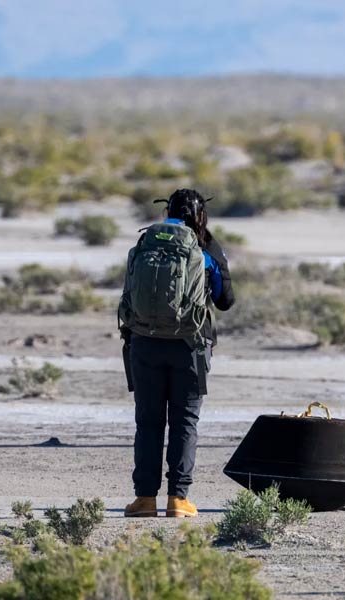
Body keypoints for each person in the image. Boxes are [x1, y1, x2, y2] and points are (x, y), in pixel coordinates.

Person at [122, 188, 235, 517]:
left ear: (167, 211)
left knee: (148, 422)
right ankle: (178, 499)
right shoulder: (205, 248)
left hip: (144, 343)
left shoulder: (146, 242)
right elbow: (225, 300)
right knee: (184, 422)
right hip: (190, 347)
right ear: (201, 215)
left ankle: (144, 499)